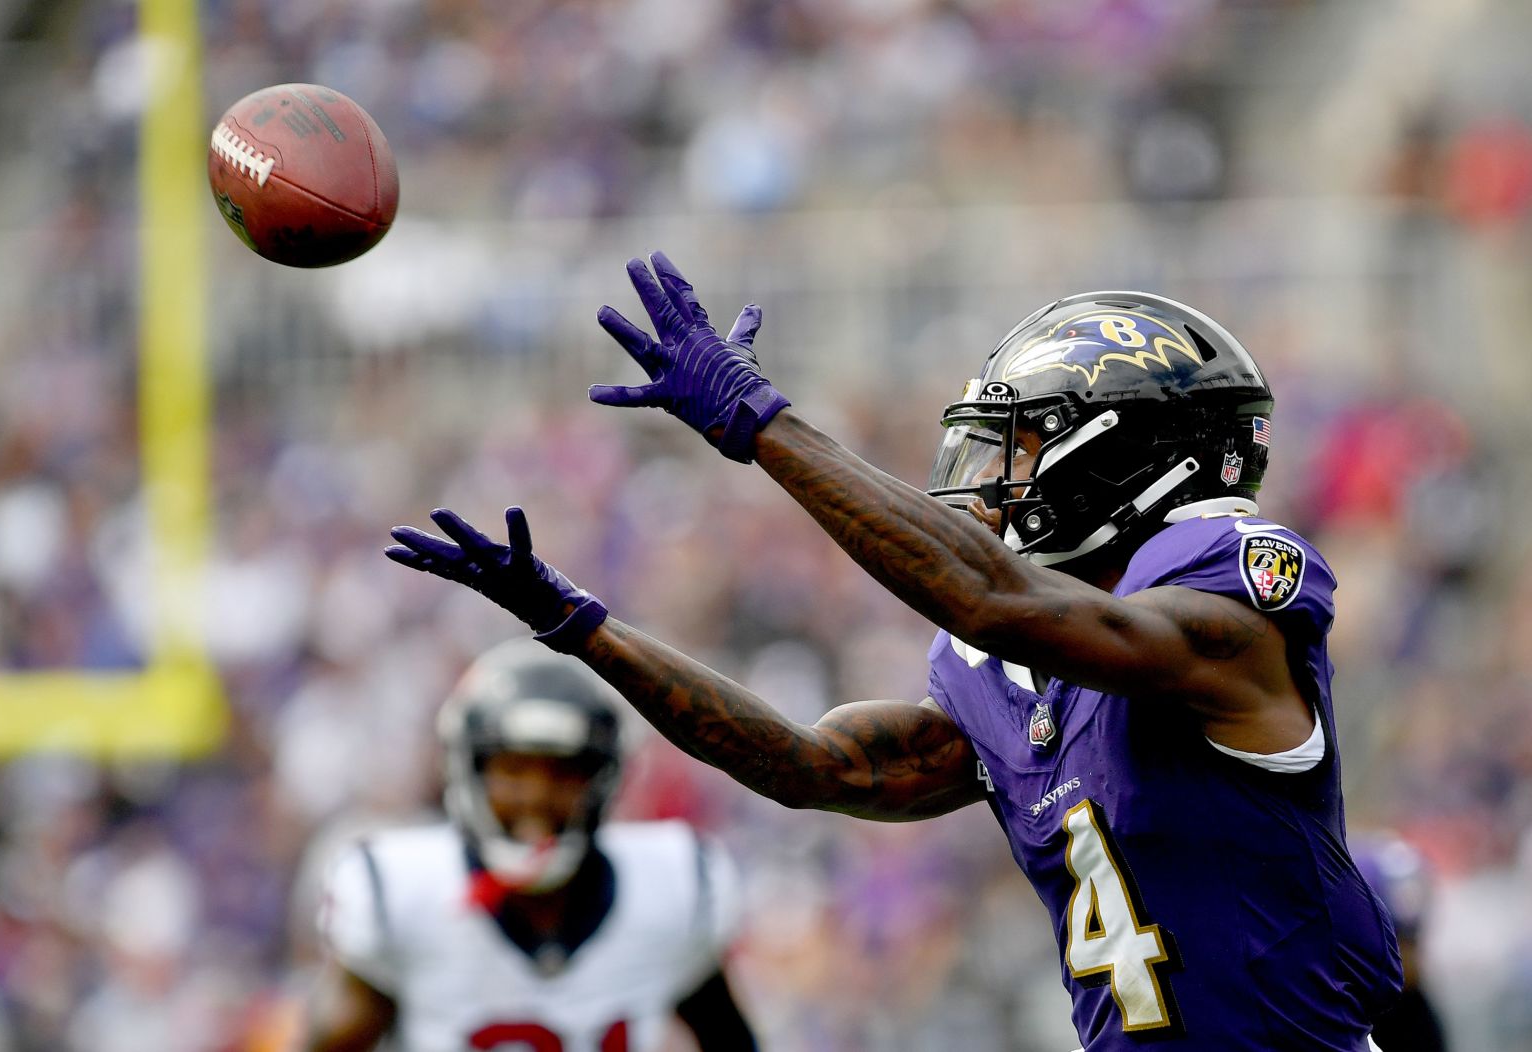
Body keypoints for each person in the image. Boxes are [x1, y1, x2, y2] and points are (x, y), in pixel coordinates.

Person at [386, 252, 1404, 1049]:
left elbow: (991, 596)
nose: (999, 477)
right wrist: (583, 625)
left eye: (1028, 442)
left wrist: (763, 425)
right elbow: (810, 765)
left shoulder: (1232, 603)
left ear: (1126, 451)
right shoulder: (1011, 673)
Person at [302, 638, 758, 1052]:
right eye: (513, 771)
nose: (537, 796)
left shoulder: (672, 887)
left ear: (603, 779)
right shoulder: (401, 893)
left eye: (564, 772)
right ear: (469, 771)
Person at [1350, 834, 1450, 1052]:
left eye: (1411, 942)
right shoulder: (1338, 1019)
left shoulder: (1417, 1015)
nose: (1408, 958)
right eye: (1397, 943)